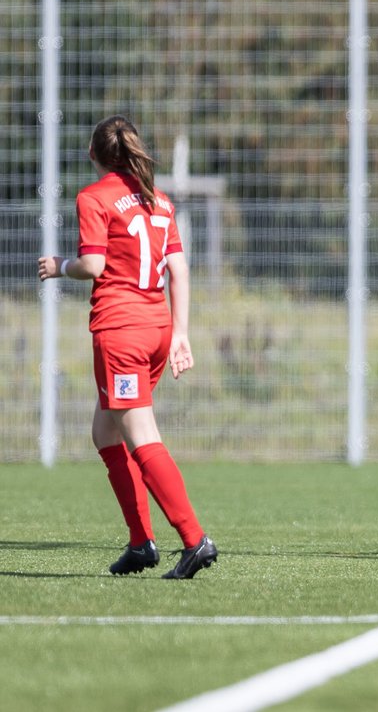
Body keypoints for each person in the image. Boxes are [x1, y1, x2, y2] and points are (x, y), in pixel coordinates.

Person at [37, 116, 217, 579]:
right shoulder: (159, 201)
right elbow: (179, 269)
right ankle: (141, 544)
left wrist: (60, 265)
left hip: (122, 332)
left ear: (93, 154)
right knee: (105, 432)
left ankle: (195, 540)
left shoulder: (93, 197)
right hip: (156, 327)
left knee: (142, 437)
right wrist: (180, 333)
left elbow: (94, 264)